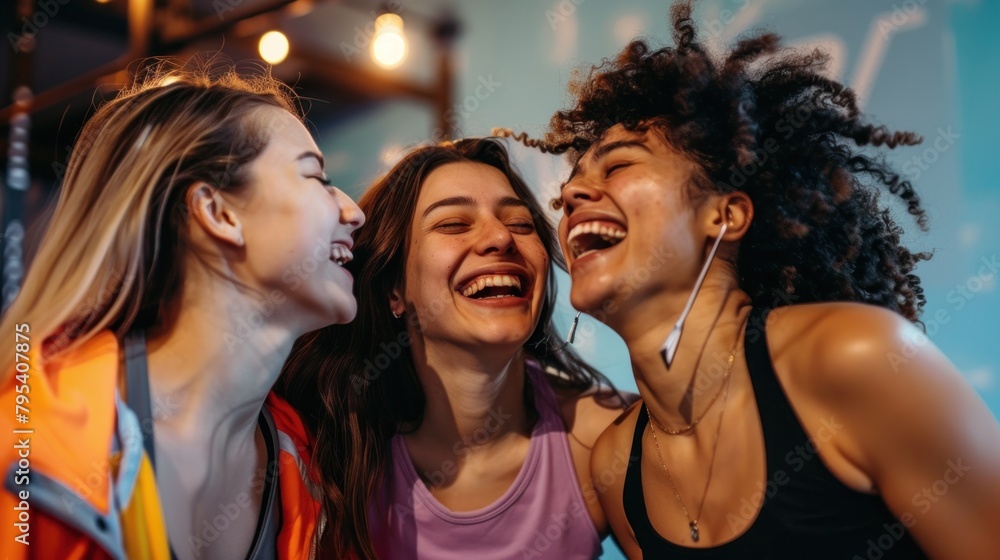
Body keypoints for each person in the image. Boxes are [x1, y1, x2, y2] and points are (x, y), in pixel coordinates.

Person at [498, 2, 1000, 558]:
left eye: (617, 166)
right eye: (569, 188)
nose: (570, 197)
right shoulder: (618, 466)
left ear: (725, 216)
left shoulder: (853, 356)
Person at [0, 61, 365, 560]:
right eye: (316, 177)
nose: (353, 210)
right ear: (217, 213)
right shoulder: (29, 446)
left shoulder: (309, 472)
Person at [279, 138, 629, 559]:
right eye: (453, 224)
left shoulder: (604, 439)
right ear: (394, 289)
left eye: (520, 223)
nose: (500, 237)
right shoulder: (328, 446)